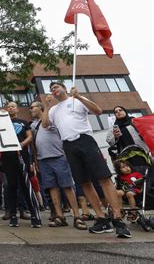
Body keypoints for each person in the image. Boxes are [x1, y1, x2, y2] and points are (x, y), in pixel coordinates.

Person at [41, 81, 131, 238]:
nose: (53, 89)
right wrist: (47, 106)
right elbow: (45, 125)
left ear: (64, 88)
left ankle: (118, 219)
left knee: (104, 178)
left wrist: (80, 97)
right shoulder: (54, 109)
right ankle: (101, 218)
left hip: (85, 140)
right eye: (51, 89)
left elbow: (98, 111)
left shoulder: (76, 99)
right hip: (68, 145)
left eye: (56, 87)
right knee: (84, 182)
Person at [29, 101, 87, 230]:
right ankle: (60, 216)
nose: (30, 110)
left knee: (67, 186)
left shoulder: (51, 119)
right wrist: (35, 160)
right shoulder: (32, 125)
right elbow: (34, 145)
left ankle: (77, 216)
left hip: (58, 157)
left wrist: (47, 108)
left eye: (33, 107)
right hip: (42, 159)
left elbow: (45, 123)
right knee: (52, 188)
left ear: (40, 108)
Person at [1, 102, 41, 228]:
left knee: (26, 185)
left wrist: (21, 144)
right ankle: (13, 215)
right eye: (8, 107)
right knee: (11, 186)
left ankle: (34, 215)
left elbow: (30, 137)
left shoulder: (24, 122)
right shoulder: (2, 122)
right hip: (7, 157)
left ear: (17, 109)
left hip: (21, 156)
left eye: (13, 106)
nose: (10, 108)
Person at [106, 106, 150, 171]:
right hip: (127, 155)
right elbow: (110, 141)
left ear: (125, 111)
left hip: (143, 151)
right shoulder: (114, 127)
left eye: (120, 110)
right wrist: (115, 137)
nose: (118, 112)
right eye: (116, 112)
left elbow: (148, 132)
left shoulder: (135, 121)